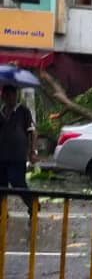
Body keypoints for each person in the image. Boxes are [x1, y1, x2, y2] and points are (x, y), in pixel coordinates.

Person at [0, 84, 35, 217]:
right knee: (1, 185)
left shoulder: (23, 111)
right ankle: (2, 211)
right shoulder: (1, 111)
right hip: (2, 154)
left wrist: (32, 151)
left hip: (17, 155)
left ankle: (33, 205)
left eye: (10, 95)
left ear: (15, 96)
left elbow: (32, 132)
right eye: (5, 95)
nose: (8, 98)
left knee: (18, 182)